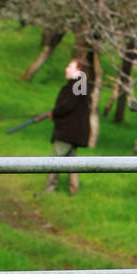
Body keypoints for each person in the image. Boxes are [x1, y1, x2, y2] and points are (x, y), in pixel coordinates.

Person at [45, 58, 91, 195]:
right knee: (71, 164)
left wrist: (54, 113)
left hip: (68, 132)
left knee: (54, 161)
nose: (66, 69)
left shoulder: (78, 85)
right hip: (73, 132)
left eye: (70, 67)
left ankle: (49, 190)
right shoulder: (78, 85)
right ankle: (74, 192)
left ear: (78, 70)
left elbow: (67, 106)